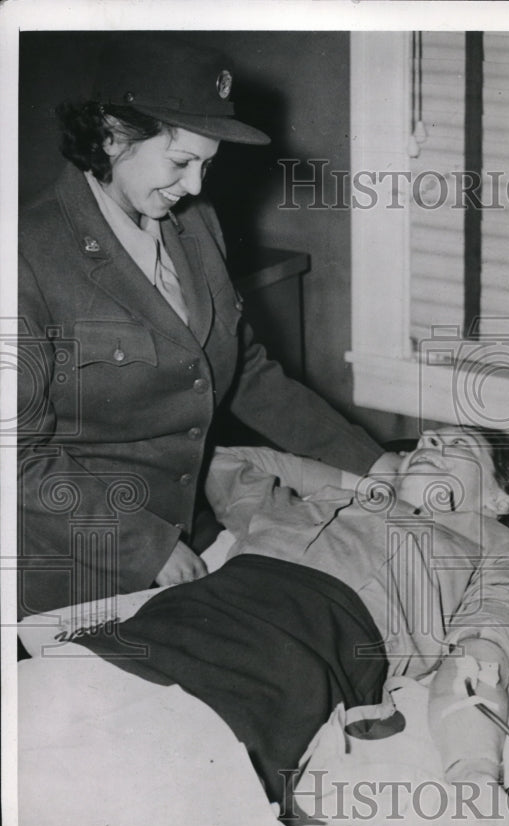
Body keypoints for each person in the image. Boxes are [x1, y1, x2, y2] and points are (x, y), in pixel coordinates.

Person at [17, 33, 388, 617]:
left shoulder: (196, 225)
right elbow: (17, 456)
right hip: (83, 566)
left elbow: (246, 376)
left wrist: (374, 464)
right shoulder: (26, 256)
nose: (195, 188)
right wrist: (147, 547)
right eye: (182, 161)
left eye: (207, 165)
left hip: (197, 534)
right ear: (113, 135)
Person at [201, 425, 509, 826]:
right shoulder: (325, 502)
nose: (431, 445)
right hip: (204, 603)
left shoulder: (502, 548)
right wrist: (372, 481)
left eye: (458, 446)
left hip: (313, 641)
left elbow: (479, 658)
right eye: (425, 442)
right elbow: (221, 461)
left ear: (499, 498)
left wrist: (473, 776)